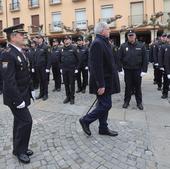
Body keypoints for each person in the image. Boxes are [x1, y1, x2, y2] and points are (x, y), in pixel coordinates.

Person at [0, 24, 34, 164]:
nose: (23, 36)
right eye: (21, 34)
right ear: (13, 37)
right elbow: (9, 81)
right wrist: (18, 100)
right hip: (16, 97)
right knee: (26, 121)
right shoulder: (7, 53)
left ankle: (18, 148)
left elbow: (24, 74)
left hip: (23, 94)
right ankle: (20, 151)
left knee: (19, 121)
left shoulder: (19, 51)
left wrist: (30, 90)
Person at [79, 22, 120, 136]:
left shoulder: (103, 42)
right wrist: (101, 85)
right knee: (106, 105)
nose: (110, 31)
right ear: (102, 31)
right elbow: (96, 67)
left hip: (107, 80)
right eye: (108, 29)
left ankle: (103, 128)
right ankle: (86, 120)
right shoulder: (97, 43)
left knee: (103, 105)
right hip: (103, 81)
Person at [119, 30, 148, 110]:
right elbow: (119, 59)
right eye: (129, 35)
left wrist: (144, 70)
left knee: (138, 87)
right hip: (127, 70)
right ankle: (126, 102)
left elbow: (145, 59)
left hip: (137, 70)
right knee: (128, 87)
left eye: (132, 35)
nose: (131, 37)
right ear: (127, 37)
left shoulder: (141, 46)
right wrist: (120, 69)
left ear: (135, 36)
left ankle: (139, 102)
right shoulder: (123, 46)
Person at [60, 35, 79, 105]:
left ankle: (72, 98)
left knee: (72, 84)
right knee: (66, 84)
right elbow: (59, 60)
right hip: (64, 69)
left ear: (70, 40)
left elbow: (78, 59)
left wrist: (76, 68)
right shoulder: (62, 49)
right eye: (65, 39)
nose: (66, 40)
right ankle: (67, 96)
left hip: (71, 69)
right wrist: (61, 68)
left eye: (67, 39)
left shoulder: (74, 48)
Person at [32, 34, 51, 101]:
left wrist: (48, 68)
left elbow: (49, 58)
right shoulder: (37, 47)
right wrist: (33, 66)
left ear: (42, 39)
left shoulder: (46, 47)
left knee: (44, 81)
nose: (38, 39)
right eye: (37, 38)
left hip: (44, 68)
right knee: (40, 81)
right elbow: (35, 58)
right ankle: (41, 93)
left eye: (39, 38)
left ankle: (45, 94)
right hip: (38, 68)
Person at [159, 34, 170, 98]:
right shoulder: (164, 46)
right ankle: (165, 93)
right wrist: (161, 66)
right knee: (166, 81)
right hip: (166, 66)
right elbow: (160, 56)